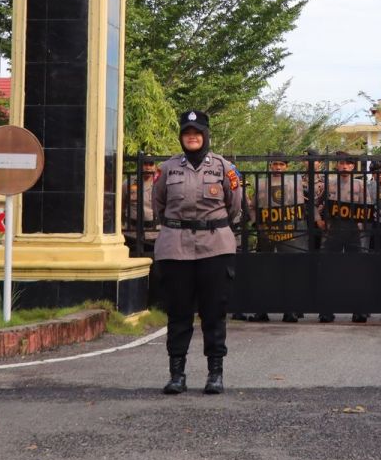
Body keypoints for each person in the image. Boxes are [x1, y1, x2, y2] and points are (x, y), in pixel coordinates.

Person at [152, 110, 242, 395]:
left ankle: (215, 374)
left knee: (214, 312)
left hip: (214, 246)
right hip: (175, 248)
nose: (192, 136)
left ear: (205, 134)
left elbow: (235, 205)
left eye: (197, 132)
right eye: (187, 132)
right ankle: (176, 375)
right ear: (181, 136)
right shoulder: (167, 169)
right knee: (178, 312)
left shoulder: (224, 168)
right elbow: (158, 205)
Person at [253, 156, 307, 323]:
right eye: (275, 164)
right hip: (267, 232)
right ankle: (262, 310)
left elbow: (301, 206)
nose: (277, 167)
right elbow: (254, 206)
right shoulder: (261, 183)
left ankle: (290, 310)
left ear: (286, 166)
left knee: (289, 271)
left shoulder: (294, 182)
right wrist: (257, 222)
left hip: (289, 231)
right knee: (265, 271)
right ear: (270, 165)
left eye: (281, 164)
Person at [319, 151, 369, 323]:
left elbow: (368, 206)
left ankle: (359, 310)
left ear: (353, 166)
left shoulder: (360, 185)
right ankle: (326, 310)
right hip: (334, 229)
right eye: (342, 163)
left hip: (353, 230)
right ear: (337, 166)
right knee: (329, 270)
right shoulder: (329, 184)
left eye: (348, 163)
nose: (345, 166)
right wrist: (319, 221)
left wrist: (361, 225)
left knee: (356, 270)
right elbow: (316, 204)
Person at [122, 157, 158, 252]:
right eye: (145, 164)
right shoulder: (128, 182)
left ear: (155, 167)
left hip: (154, 234)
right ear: (139, 165)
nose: (148, 167)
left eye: (151, 164)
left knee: (154, 263)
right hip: (132, 233)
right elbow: (121, 204)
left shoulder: (160, 183)